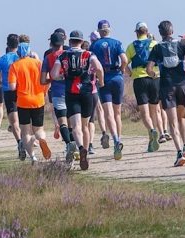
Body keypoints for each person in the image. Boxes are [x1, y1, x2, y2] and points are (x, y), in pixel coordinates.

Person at [146, 20, 185, 167]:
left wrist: (154, 75)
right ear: (172, 30)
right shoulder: (182, 44)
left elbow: (149, 69)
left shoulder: (157, 48)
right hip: (183, 84)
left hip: (167, 85)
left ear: (160, 33)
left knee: (172, 121)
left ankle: (179, 153)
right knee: (182, 117)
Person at [51, 30, 104, 170]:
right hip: (86, 92)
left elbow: (54, 74)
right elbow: (98, 67)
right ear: (81, 42)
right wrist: (101, 81)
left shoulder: (63, 56)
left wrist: (62, 77)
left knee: (75, 127)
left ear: (69, 42)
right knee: (85, 126)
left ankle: (80, 147)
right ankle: (85, 150)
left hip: (71, 93)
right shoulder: (88, 54)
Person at [125, 22, 166, 153]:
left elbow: (124, 63)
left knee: (144, 112)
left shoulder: (131, 46)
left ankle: (151, 132)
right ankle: (155, 136)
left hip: (139, 79)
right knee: (154, 110)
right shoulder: (154, 44)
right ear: (147, 31)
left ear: (136, 32)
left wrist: (130, 74)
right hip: (154, 78)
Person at [90, 20, 128, 160]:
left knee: (108, 113)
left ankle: (116, 139)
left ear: (99, 31)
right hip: (117, 77)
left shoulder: (94, 45)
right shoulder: (116, 43)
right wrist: (122, 70)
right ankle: (119, 141)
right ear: (109, 30)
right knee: (117, 112)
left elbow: (93, 65)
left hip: (104, 78)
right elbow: (124, 59)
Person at [8, 42, 51, 164]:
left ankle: (33, 157)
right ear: (29, 52)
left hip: (23, 102)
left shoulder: (14, 66)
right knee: (38, 129)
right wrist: (44, 91)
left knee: (25, 132)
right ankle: (41, 139)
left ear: (18, 53)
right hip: (38, 100)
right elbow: (47, 80)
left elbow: (12, 86)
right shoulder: (38, 63)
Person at [0, 34, 26, 160]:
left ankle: (19, 142)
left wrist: (2, 83)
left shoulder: (1, 60)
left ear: (7, 44)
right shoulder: (22, 58)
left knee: (14, 121)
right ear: (18, 44)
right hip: (22, 91)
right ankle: (29, 139)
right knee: (25, 119)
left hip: (8, 91)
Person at [40, 32, 71, 157]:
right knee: (73, 121)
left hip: (58, 92)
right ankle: (79, 145)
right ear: (63, 43)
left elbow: (42, 80)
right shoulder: (69, 55)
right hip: (72, 90)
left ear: (51, 44)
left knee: (62, 121)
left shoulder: (48, 58)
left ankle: (69, 144)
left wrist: (51, 79)